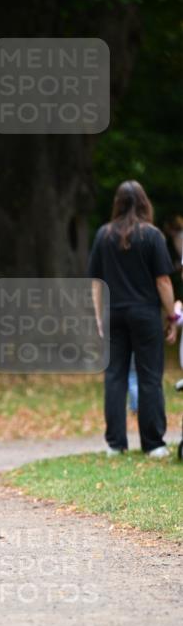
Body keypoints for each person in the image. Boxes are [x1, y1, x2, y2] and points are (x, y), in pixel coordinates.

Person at [89, 180, 178, 458]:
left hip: (114, 314)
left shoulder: (103, 235)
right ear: (144, 203)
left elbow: (96, 283)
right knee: (149, 376)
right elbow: (163, 281)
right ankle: (153, 443)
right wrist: (172, 316)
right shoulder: (152, 236)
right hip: (145, 313)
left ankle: (115, 444)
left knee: (114, 376)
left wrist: (99, 316)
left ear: (117, 203)